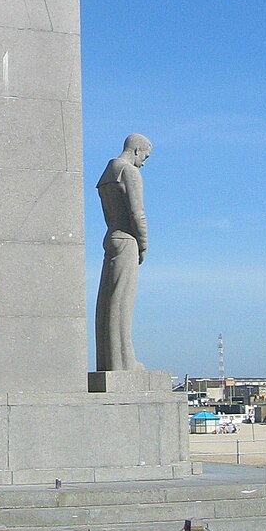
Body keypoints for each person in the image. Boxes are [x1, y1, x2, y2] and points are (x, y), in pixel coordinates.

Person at [94, 134, 152, 371]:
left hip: (111, 236)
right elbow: (137, 214)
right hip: (127, 239)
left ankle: (108, 361)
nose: (144, 163)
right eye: (145, 156)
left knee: (108, 301)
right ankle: (123, 362)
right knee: (122, 302)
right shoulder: (129, 172)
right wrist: (144, 243)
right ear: (137, 150)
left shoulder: (107, 173)